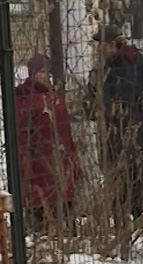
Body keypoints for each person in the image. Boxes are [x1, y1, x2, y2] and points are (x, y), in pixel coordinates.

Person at [85, 25, 143, 238]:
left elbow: (140, 93)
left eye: (101, 46)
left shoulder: (131, 63)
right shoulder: (105, 68)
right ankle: (130, 224)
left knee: (130, 179)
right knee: (125, 179)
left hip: (128, 130)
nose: (97, 51)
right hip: (119, 132)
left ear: (112, 45)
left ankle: (134, 223)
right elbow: (91, 101)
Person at [15, 54, 82, 234]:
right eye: (40, 72)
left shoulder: (53, 96)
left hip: (61, 160)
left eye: (47, 72)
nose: (45, 76)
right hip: (39, 163)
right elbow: (22, 134)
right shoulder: (24, 98)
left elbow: (65, 131)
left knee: (65, 207)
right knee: (42, 206)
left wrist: (73, 158)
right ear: (32, 73)